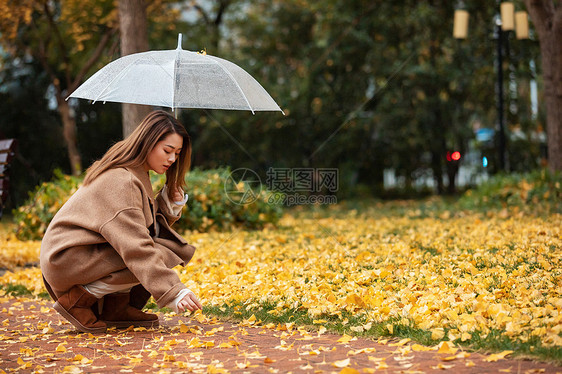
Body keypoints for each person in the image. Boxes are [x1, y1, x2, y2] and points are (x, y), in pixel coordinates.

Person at [40, 110, 202, 333]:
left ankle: (116, 309)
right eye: (167, 150)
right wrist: (173, 291)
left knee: (158, 250)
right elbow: (136, 246)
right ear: (148, 143)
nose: (172, 159)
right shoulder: (122, 181)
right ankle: (76, 302)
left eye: (177, 153)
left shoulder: (133, 174)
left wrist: (169, 203)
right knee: (158, 253)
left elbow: (144, 228)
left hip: (81, 255)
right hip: (67, 259)